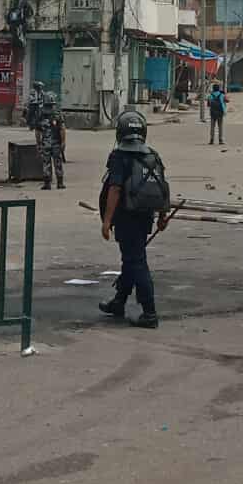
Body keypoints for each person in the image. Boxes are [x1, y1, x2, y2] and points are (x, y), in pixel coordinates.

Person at [98, 109, 170, 329]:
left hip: (126, 218)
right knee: (131, 259)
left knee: (136, 261)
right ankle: (119, 302)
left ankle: (149, 313)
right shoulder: (152, 156)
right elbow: (162, 187)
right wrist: (162, 216)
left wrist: (107, 220)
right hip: (145, 216)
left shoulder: (120, 156)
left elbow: (115, 190)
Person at [27, 84, 66, 190]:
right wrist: (63, 142)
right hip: (56, 143)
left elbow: (37, 131)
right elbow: (62, 129)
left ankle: (47, 183)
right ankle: (60, 183)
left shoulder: (40, 113)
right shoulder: (57, 113)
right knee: (58, 162)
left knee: (46, 162)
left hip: (45, 143)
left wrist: (38, 143)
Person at [206, 78, 228, 145]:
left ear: (213, 89)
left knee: (212, 126)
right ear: (218, 89)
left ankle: (211, 140)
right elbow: (226, 101)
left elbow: (208, 105)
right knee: (220, 126)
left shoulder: (210, 96)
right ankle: (220, 140)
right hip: (220, 112)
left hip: (213, 113)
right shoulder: (222, 95)